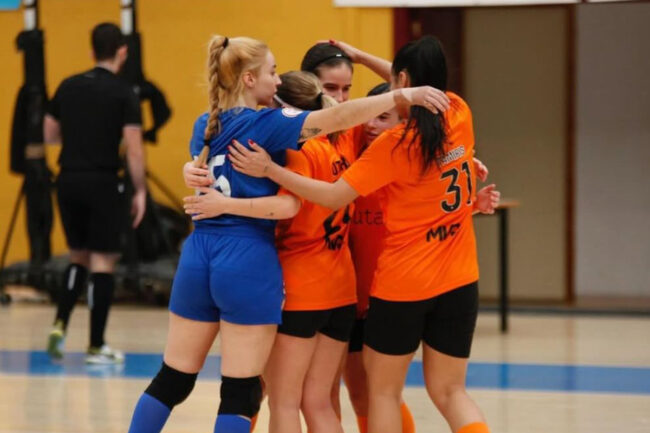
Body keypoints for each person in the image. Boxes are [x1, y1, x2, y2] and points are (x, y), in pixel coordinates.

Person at [127, 34, 449, 433]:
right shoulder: (274, 125)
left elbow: (201, 167)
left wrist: (194, 175)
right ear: (249, 79)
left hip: (198, 254)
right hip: (253, 259)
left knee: (174, 378)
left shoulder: (204, 123)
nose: (277, 80)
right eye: (272, 71)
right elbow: (334, 125)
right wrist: (404, 95)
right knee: (247, 392)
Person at [227, 35, 494, 433]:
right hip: (443, 281)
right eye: (331, 90)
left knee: (367, 394)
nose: (344, 103)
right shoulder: (458, 112)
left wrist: (267, 171)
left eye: (346, 90)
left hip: (383, 286)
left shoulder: (387, 144)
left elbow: (328, 197)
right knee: (446, 392)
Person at [44, 22, 146, 364]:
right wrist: (140, 190)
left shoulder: (68, 86)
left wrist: (78, 136)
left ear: (91, 52)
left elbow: (49, 134)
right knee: (103, 262)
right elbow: (134, 149)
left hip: (68, 180)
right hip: (103, 182)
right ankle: (96, 345)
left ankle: (60, 324)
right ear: (122, 52)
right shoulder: (124, 92)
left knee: (78, 256)